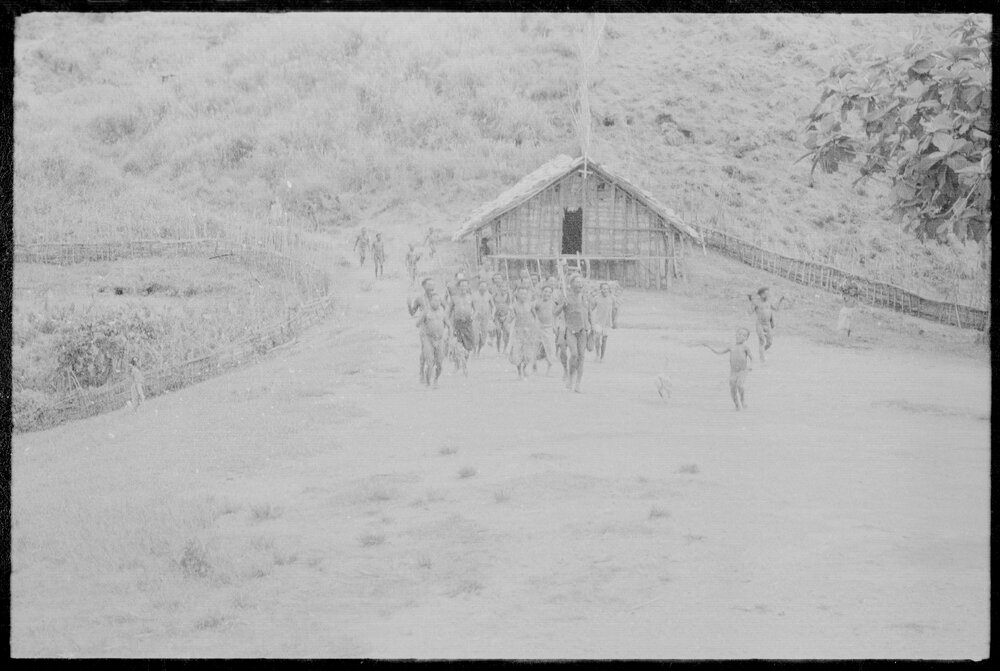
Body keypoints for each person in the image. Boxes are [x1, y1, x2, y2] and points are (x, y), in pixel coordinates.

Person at [553, 275, 592, 393]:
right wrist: (562, 305)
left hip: (583, 330)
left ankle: (578, 383)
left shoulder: (585, 297)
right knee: (574, 354)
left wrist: (592, 327)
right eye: (577, 282)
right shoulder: (565, 296)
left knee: (581, 357)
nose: (580, 284)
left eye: (581, 282)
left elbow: (589, 313)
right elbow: (555, 313)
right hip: (570, 329)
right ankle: (570, 377)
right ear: (571, 284)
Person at [701, 327, 754, 410]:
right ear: (735, 335)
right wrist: (709, 346)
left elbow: (752, 358)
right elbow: (719, 352)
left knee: (740, 385)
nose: (741, 336)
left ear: (747, 338)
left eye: (744, 335)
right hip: (733, 372)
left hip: (742, 371)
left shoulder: (745, 347)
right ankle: (737, 406)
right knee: (732, 389)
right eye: (739, 334)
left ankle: (742, 401)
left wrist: (751, 365)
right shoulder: (731, 347)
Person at [416, 293, 450, 388]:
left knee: (439, 364)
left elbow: (449, 325)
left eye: (439, 301)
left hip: (439, 339)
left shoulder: (442, 312)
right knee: (430, 363)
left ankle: (435, 380)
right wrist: (423, 331)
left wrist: (449, 336)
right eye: (434, 300)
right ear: (430, 301)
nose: (437, 303)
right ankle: (428, 382)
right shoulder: (426, 311)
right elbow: (417, 324)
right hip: (428, 339)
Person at [748, 287, 788, 363]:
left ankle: (761, 352)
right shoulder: (756, 302)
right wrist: (751, 302)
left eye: (768, 293)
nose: (768, 294)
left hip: (768, 324)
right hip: (760, 324)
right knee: (762, 341)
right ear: (761, 294)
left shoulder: (769, 302)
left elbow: (776, 309)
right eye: (766, 293)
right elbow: (749, 312)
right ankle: (762, 359)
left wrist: (781, 300)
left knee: (769, 343)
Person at [408, 277, 437, 380]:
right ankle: (422, 370)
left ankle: (428, 370)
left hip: (436, 329)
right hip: (424, 329)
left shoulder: (437, 297)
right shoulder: (420, 298)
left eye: (433, 284)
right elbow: (412, 313)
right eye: (429, 284)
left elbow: (444, 309)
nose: (431, 286)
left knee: (435, 351)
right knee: (425, 351)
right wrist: (409, 304)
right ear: (424, 286)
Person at [508, 286, 538, 380]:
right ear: (517, 295)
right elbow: (509, 320)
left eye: (525, 294)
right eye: (521, 294)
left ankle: (524, 368)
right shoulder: (514, 306)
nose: (523, 296)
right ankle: (519, 371)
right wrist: (511, 314)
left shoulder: (530, 305)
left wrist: (534, 328)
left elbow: (535, 317)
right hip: (518, 332)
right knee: (517, 353)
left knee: (528, 354)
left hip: (529, 332)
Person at [448, 278, 476, 376]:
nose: (463, 287)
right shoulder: (454, 298)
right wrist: (448, 325)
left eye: (465, 285)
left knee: (468, 348)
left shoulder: (471, 297)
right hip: (457, 324)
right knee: (457, 347)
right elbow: (449, 312)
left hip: (468, 324)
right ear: (458, 287)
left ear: (468, 286)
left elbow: (475, 311)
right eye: (461, 285)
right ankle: (458, 366)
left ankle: (464, 364)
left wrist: (473, 316)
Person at [533, 284, 559, 375]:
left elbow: (555, 316)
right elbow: (533, 313)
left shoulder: (553, 303)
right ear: (542, 292)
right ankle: (534, 366)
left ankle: (549, 369)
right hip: (538, 327)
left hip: (548, 328)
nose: (547, 293)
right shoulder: (537, 302)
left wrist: (555, 326)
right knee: (535, 348)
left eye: (549, 292)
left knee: (550, 348)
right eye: (545, 291)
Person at [590, 282, 618, 362]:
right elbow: (591, 308)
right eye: (604, 289)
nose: (605, 290)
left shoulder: (612, 298)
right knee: (597, 339)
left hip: (607, 322)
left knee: (604, 339)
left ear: (609, 289)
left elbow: (615, 310)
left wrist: (614, 320)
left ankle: (602, 356)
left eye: (607, 289)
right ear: (601, 289)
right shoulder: (597, 298)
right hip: (598, 322)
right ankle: (597, 354)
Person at [471, 279, 495, 357]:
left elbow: (493, 306)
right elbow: (470, 306)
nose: (483, 288)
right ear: (478, 287)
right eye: (481, 286)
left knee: (484, 337)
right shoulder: (473, 295)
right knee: (475, 336)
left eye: (485, 286)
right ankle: (474, 350)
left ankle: (479, 350)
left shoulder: (489, 295)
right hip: (476, 318)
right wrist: (472, 314)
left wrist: (493, 314)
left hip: (485, 318)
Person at [491, 273, 512, 354]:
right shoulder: (495, 293)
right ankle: (498, 349)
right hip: (497, 315)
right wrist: (492, 314)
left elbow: (510, 304)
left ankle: (505, 348)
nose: (504, 289)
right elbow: (492, 303)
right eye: (502, 288)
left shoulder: (508, 295)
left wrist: (510, 311)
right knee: (498, 331)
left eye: (505, 288)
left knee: (507, 332)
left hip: (506, 316)